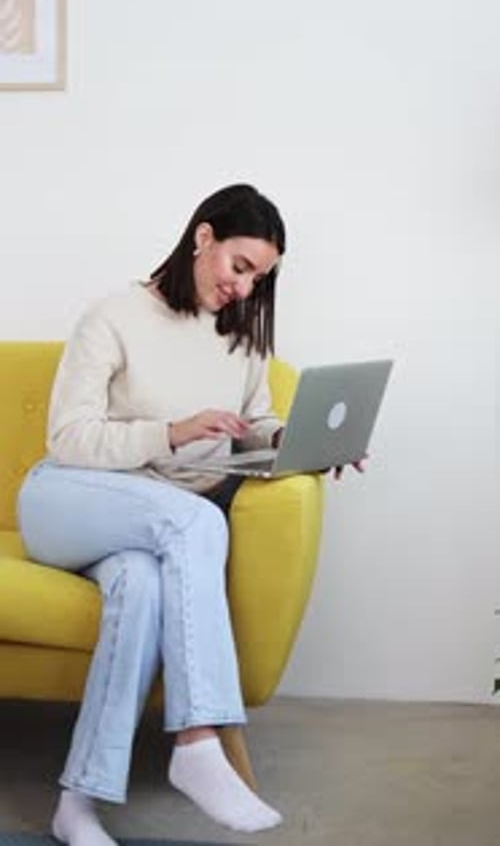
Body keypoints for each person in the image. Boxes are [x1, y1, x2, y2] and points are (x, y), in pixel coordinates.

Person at [17, 184, 289, 845]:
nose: (246, 289)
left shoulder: (242, 342)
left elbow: (255, 422)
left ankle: (77, 805)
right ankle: (199, 744)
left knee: (139, 586)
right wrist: (170, 432)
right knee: (197, 522)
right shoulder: (113, 314)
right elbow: (70, 438)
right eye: (240, 266)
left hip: (145, 522)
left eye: (261, 277)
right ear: (203, 239)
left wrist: (293, 442)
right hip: (68, 497)